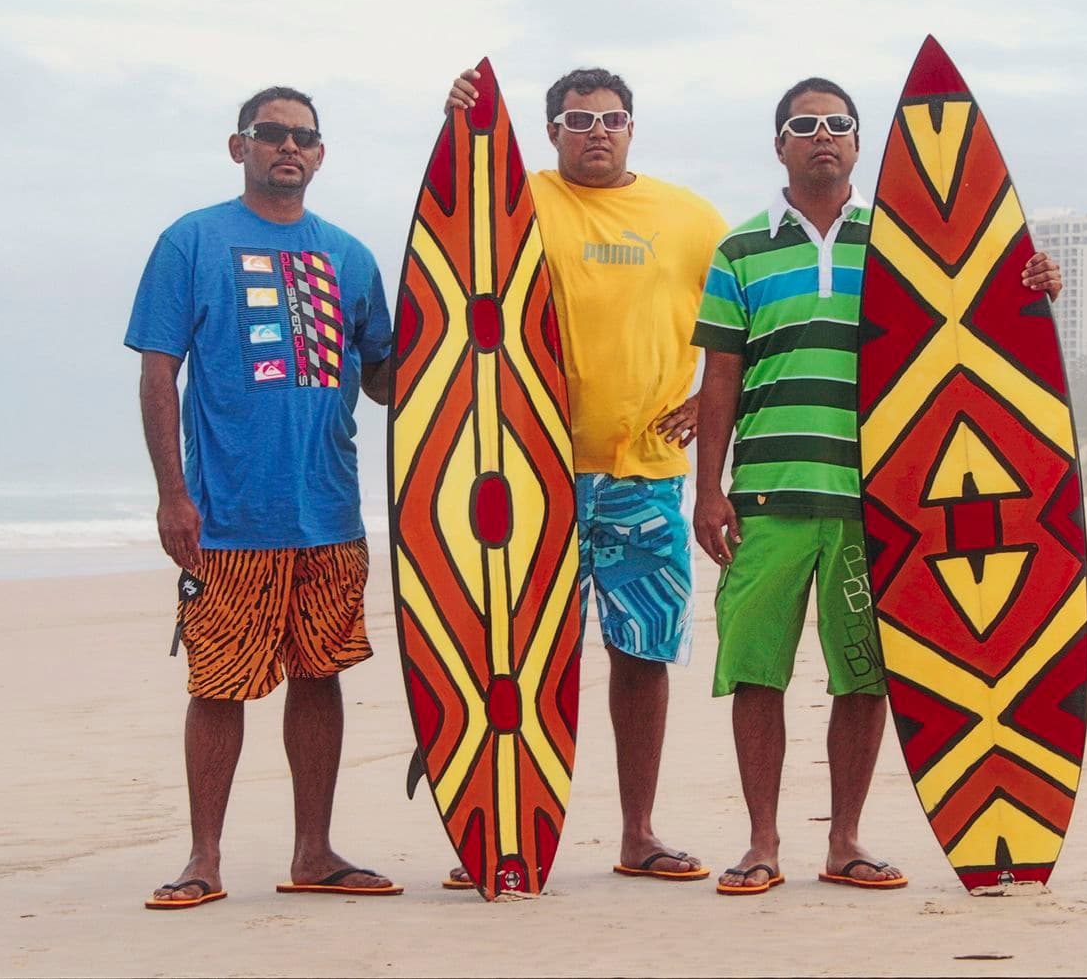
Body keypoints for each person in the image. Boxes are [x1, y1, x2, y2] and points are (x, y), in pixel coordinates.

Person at [691, 77, 1062, 895]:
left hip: (881, 502)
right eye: (803, 124)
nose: (822, 135)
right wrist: (707, 490)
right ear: (779, 144)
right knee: (757, 672)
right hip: (766, 497)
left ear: (859, 145)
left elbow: (975, 323)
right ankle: (761, 843)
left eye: (838, 125)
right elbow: (720, 374)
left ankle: (845, 841)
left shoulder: (902, 247)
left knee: (866, 674)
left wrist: (1029, 286)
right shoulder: (741, 250)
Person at [442, 67, 728, 884]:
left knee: (640, 655)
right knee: (521, 654)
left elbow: (747, 318)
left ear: (633, 128)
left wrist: (713, 407)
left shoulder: (689, 217)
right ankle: (501, 830)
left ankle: (638, 834)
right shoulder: (518, 201)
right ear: (552, 131)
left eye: (612, 118)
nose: (596, 130)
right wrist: (460, 120)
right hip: (532, 475)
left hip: (646, 476)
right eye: (577, 119)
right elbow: (453, 224)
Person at [127, 87, 400, 909]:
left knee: (320, 676)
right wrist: (173, 495)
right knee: (218, 683)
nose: (289, 148)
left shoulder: (350, 256)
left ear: (321, 155)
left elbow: (386, 378)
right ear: (238, 145)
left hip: (330, 513)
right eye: (271, 134)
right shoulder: (192, 241)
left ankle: (313, 852)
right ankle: (203, 857)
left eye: (304, 138)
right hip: (229, 515)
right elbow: (156, 370)